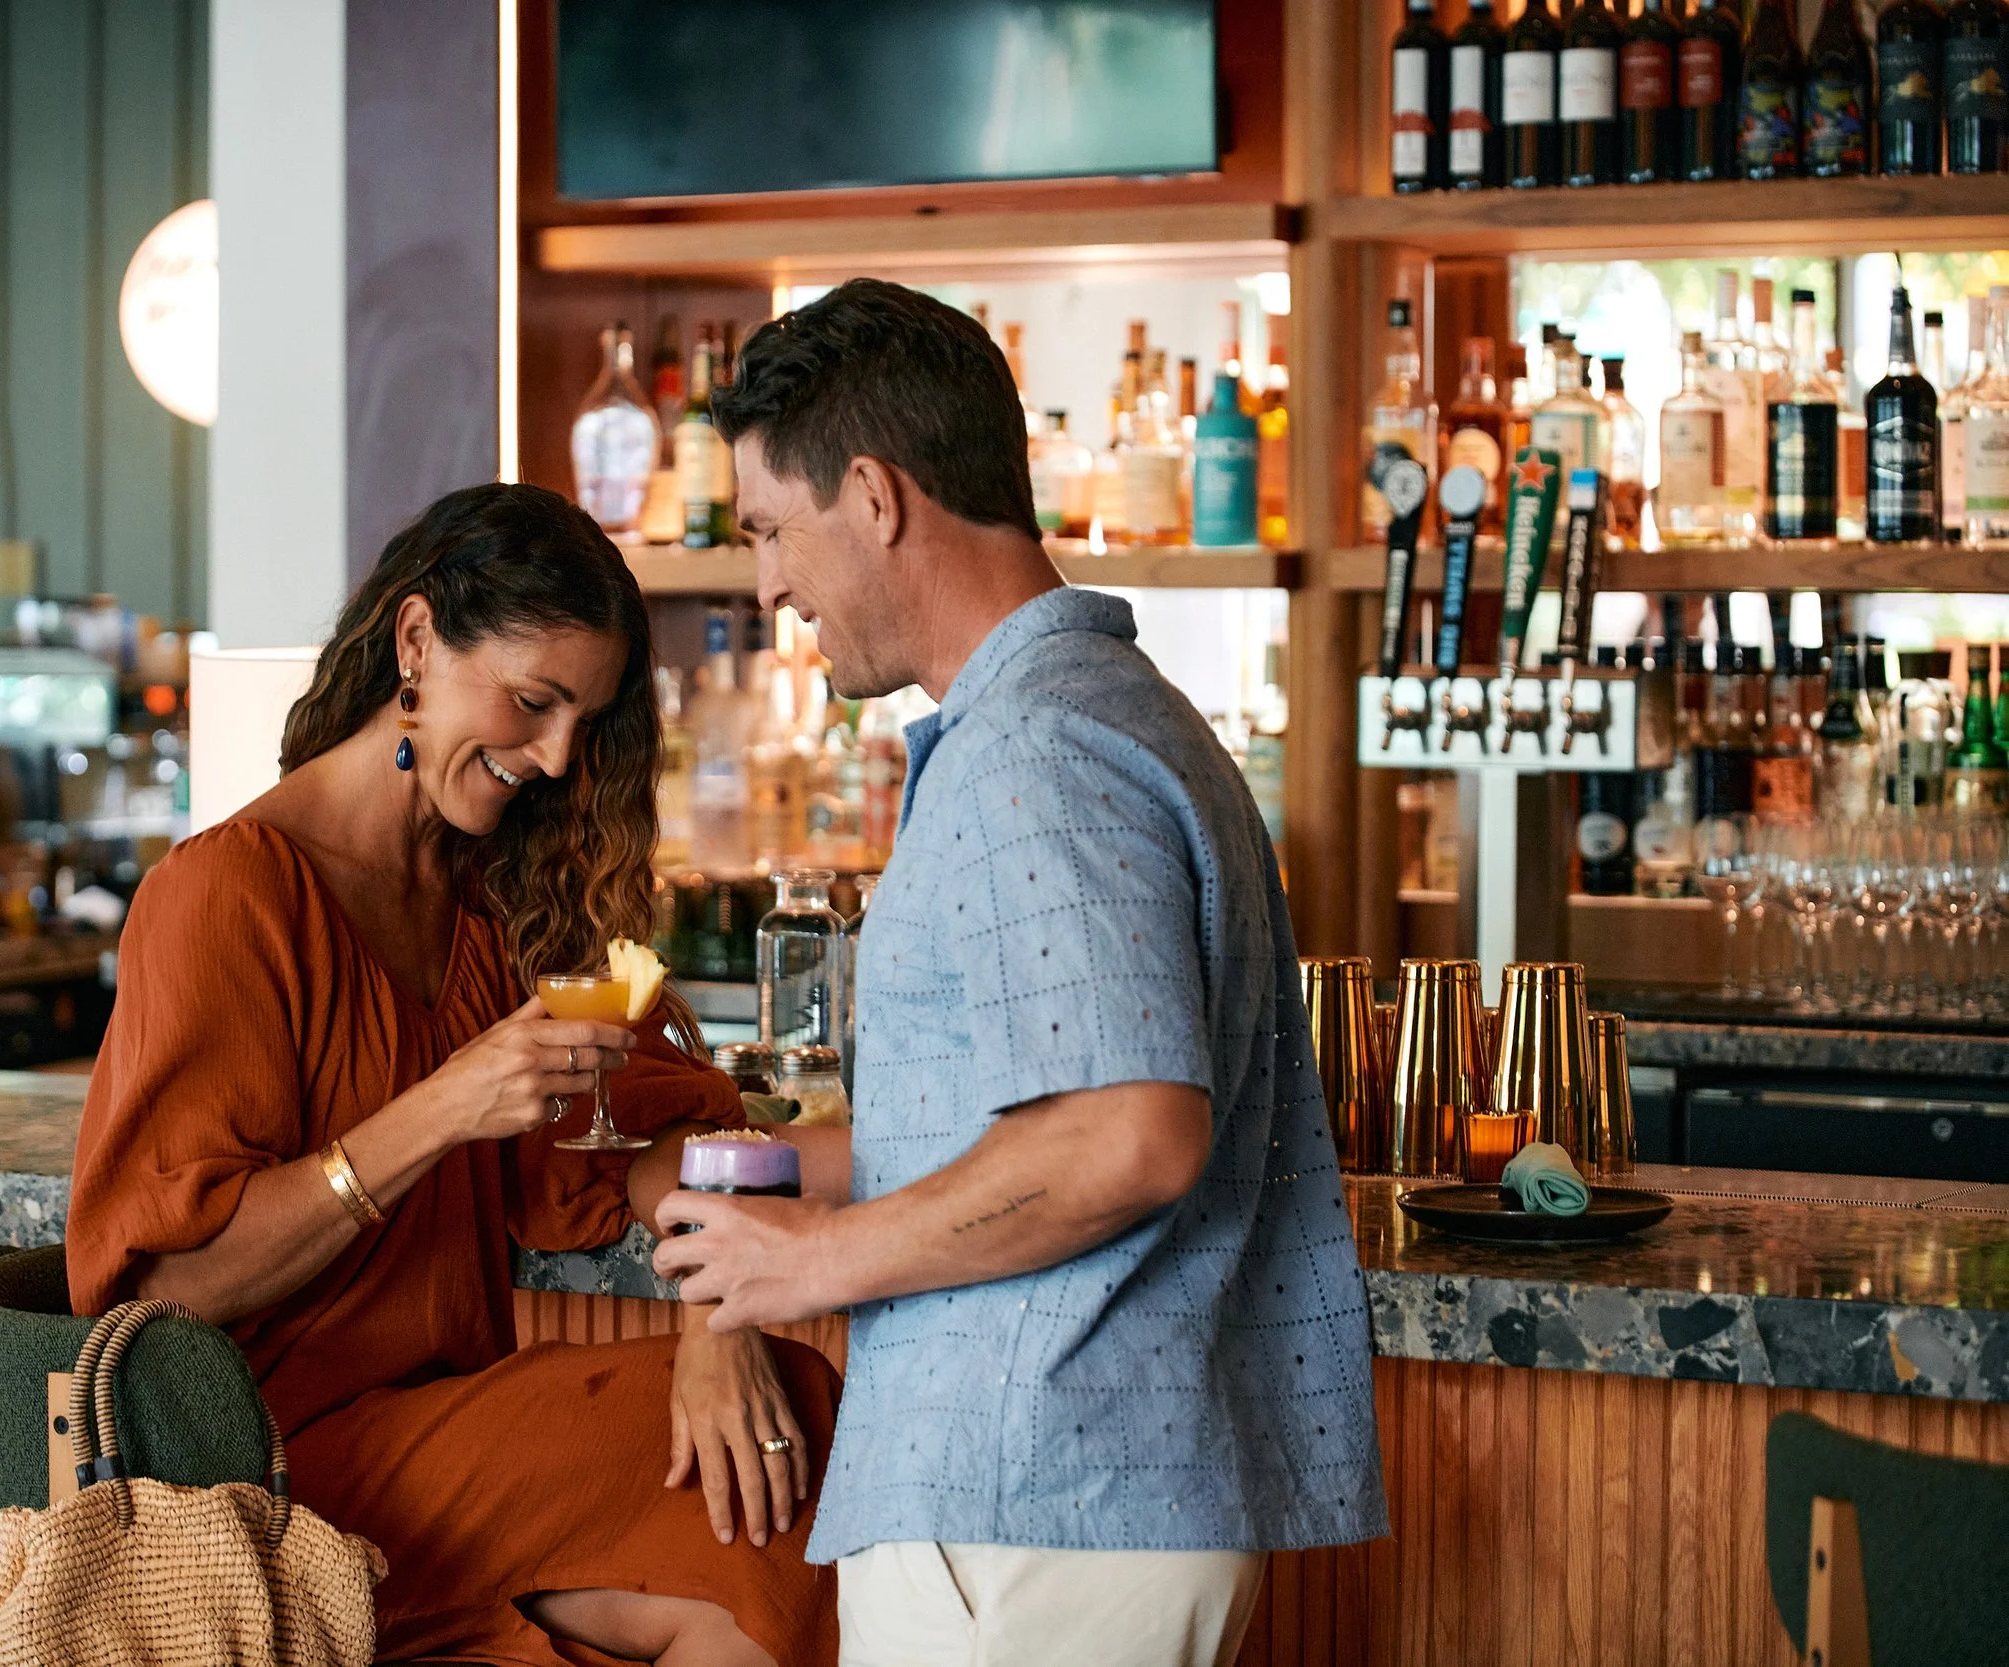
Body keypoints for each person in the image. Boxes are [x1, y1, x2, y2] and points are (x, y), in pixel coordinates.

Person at [653, 279, 1386, 1667]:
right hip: (1074, 1489)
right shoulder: (1104, 717)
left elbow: (1129, 1130)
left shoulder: (1036, 753)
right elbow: (1025, 1121)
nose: (766, 585)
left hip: (1042, 1491)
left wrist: (817, 1258)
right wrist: (781, 1165)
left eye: (768, 530)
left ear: (872, 496)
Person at [68, 483, 838, 1667]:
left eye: (583, 718)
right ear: (417, 640)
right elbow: (167, 1282)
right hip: (266, 1473)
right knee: (777, 1483)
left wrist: (717, 1312)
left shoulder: (492, 905)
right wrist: (437, 1112)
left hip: (445, 1433)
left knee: (756, 1519)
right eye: (534, 702)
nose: (557, 755)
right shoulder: (221, 898)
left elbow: (674, 1135)